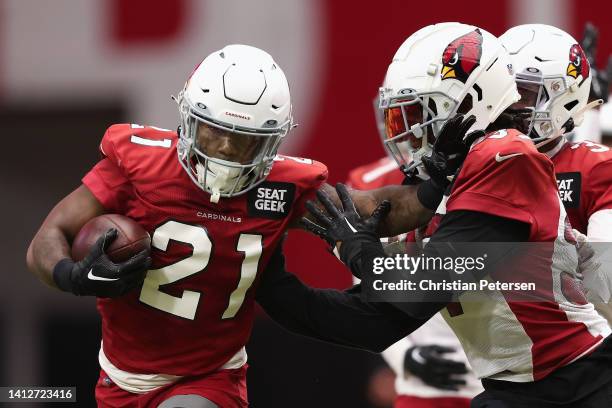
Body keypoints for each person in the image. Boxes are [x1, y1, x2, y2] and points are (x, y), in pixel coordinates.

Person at [26, 44, 443, 408]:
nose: (225, 150)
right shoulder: (141, 165)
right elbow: (48, 238)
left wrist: (438, 187)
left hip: (209, 380)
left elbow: (372, 208)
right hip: (119, 377)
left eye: (242, 139)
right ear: (188, 120)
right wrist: (72, 275)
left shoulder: (282, 187)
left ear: (272, 142)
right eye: (213, 134)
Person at [304, 22, 612, 407]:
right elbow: (394, 296)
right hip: (482, 363)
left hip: (564, 364)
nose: (512, 105)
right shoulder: (438, 174)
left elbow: (606, 285)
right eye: (508, 88)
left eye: (525, 94)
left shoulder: (587, 165)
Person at [346, 97, 481, 407]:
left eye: (420, 113)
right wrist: (403, 357)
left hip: (508, 377)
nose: (411, 127)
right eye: (404, 114)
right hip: (428, 387)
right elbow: (367, 290)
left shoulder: (497, 170)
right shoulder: (373, 184)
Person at [500, 24, 612, 308]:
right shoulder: (465, 165)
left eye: (522, 94)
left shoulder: (594, 168)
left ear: (564, 100)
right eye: (500, 93)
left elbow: (605, 284)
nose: (504, 107)